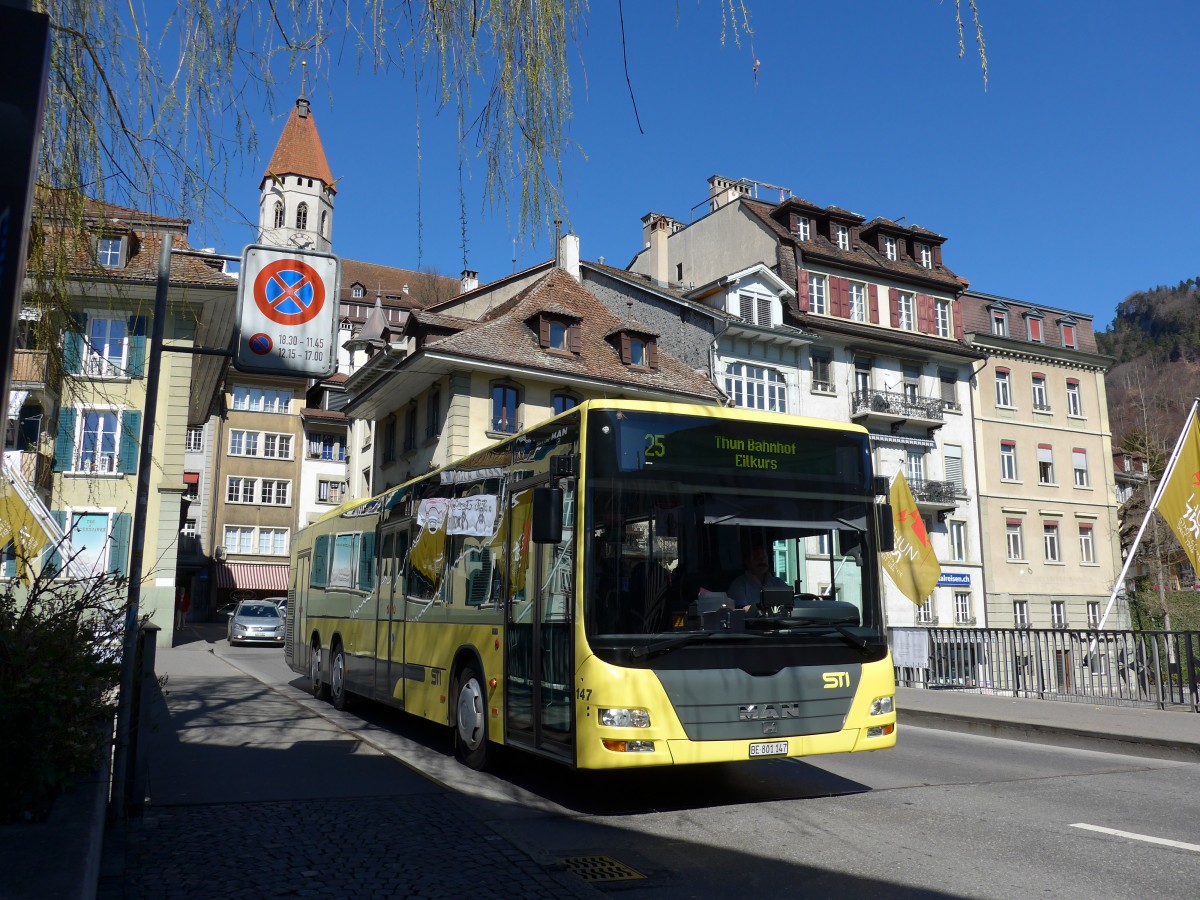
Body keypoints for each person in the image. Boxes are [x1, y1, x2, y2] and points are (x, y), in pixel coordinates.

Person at [727, 544, 788, 613]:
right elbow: (741, 612)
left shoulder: (778, 582)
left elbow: (791, 605)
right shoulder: (738, 585)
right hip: (755, 624)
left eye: (764, 557)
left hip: (781, 623)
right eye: (756, 557)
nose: (762, 560)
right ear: (747, 561)